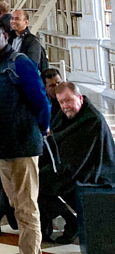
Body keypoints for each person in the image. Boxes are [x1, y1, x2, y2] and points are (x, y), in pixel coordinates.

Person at [0, 17, 49, 254]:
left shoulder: (20, 63)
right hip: (2, 147)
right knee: (16, 204)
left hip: (22, 147)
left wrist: (39, 130)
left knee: (26, 207)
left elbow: (41, 101)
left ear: (6, 36)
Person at [39, 82, 115, 244]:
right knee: (35, 176)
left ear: (80, 98)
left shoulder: (92, 120)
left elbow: (77, 161)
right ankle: (51, 224)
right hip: (75, 166)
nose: (65, 106)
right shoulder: (66, 115)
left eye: (69, 100)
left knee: (37, 181)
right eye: (61, 102)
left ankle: (71, 222)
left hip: (94, 173)